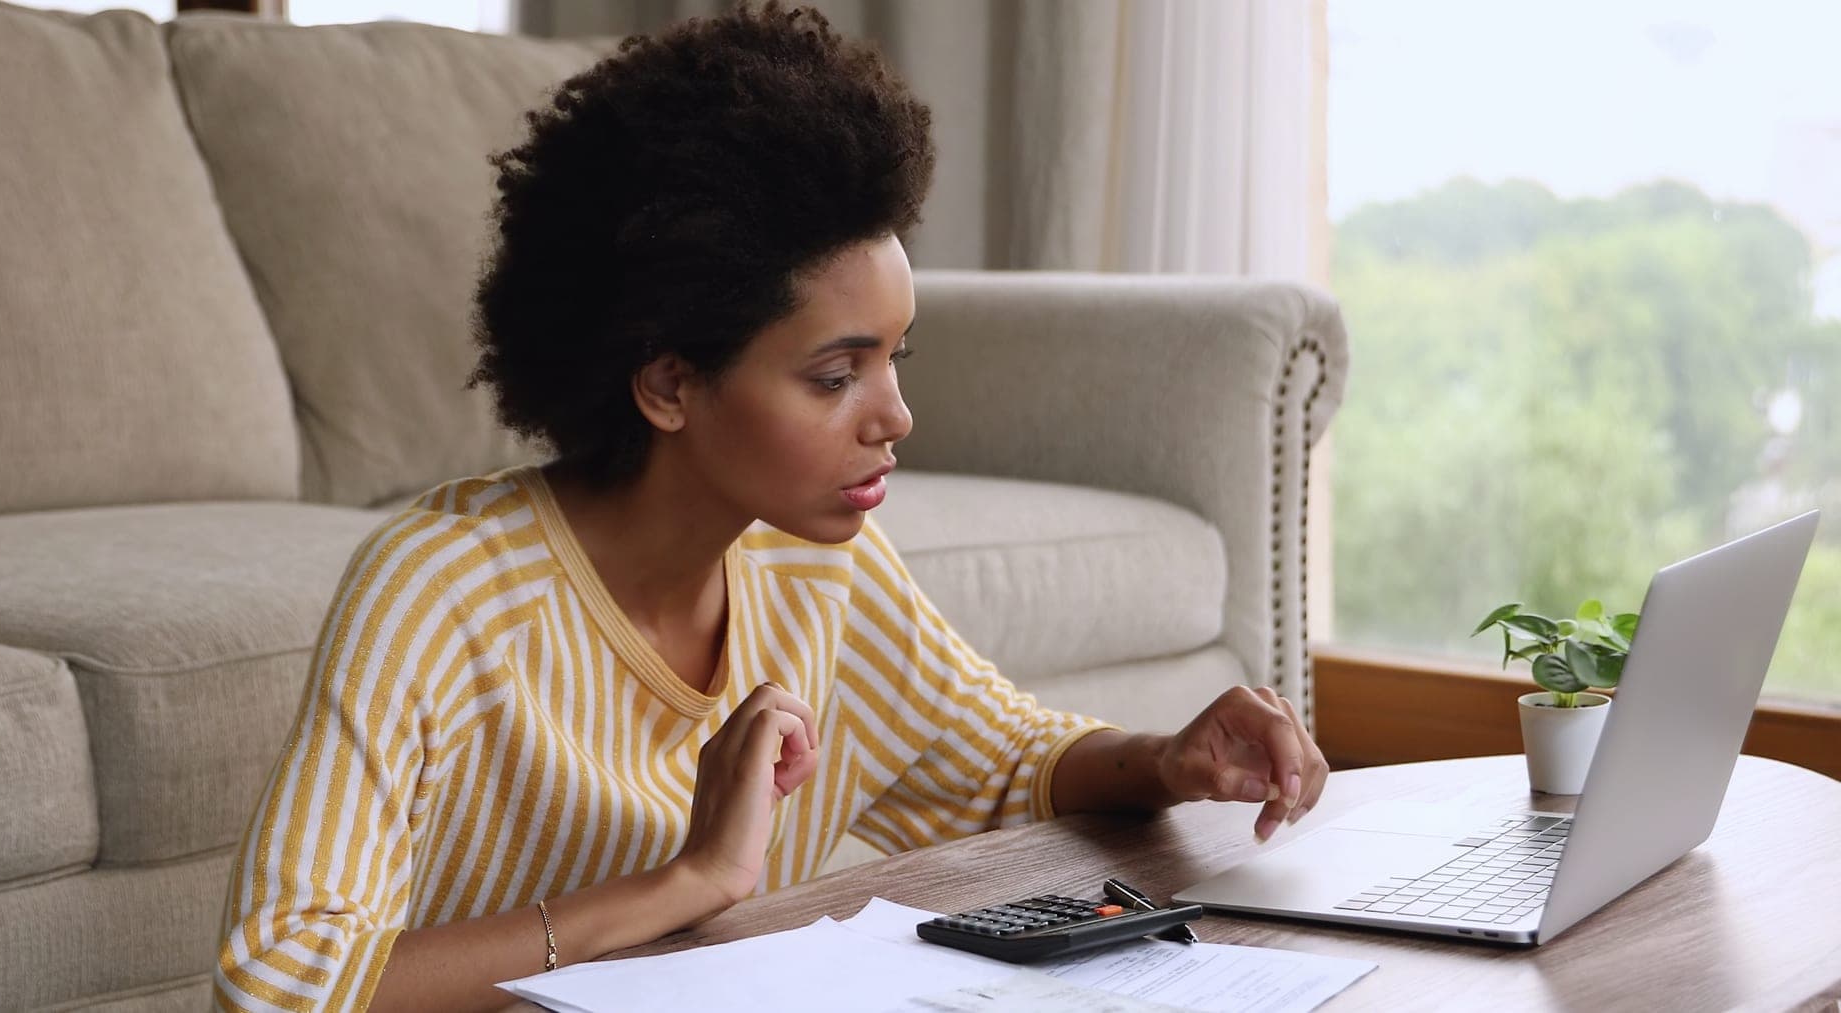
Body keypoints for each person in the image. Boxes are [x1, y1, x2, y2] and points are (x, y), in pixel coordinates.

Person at [214, 4, 1328, 1010]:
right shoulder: (442, 593)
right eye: (836, 375)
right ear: (668, 384)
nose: (895, 416)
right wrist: (686, 880)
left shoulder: (817, 566)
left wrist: (1170, 758)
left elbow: (1003, 762)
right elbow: (277, 983)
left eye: (894, 358)